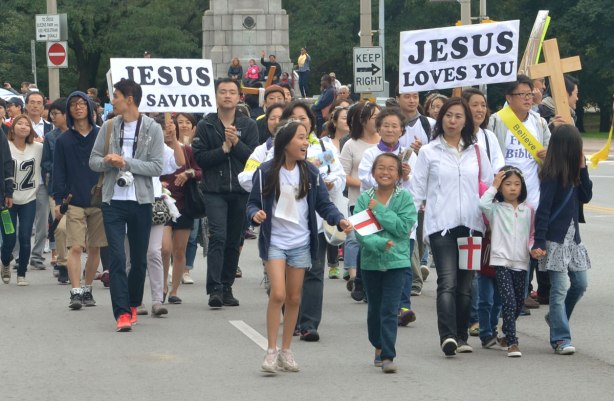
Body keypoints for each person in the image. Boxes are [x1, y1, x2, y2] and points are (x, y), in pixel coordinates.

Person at [246, 119, 352, 373]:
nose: (306, 143)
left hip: (301, 242)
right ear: (286, 142)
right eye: (301, 138)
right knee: (279, 294)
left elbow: (323, 205)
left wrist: (339, 219)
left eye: (307, 138)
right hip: (275, 242)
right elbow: (251, 203)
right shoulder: (265, 171)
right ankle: (271, 351)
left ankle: (286, 351)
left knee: (294, 298)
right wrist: (255, 215)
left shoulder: (311, 173)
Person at [410, 97, 493, 356]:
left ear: (466, 120)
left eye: (458, 116)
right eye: (448, 115)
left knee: (466, 286)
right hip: (441, 227)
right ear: (441, 119)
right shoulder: (428, 152)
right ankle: (447, 336)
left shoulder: (476, 150)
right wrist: (410, 229)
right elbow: (416, 193)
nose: (453, 121)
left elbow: (488, 184)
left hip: (471, 227)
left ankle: (461, 335)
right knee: (447, 282)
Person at [89, 78, 165, 332]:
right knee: (118, 259)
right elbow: (93, 161)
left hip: (141, 200)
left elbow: (157, 166)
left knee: (139, 260)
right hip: (112, 200)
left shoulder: (153, 128)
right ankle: (121, 313)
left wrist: (127, 163)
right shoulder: (109, 126)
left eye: (116, 97)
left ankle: (133, 303)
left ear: (129, 99)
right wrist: (109, 162)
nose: (113, 102)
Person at [280, 101, 346, 342]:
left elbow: (338, 174)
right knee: (290, 272)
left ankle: (309, 323)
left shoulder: (323, 146)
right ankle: (292, 319)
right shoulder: (277, 149)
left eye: (304, 118)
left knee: (315, 271)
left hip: (315, 219)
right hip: (287, 222)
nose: (300, 122)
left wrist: (330, 183)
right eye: (294, 118)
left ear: (311, 122)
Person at [192, 78, 259, 308]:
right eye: (223, 92)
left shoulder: (248, 125)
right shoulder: (206, 125)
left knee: (234, 239)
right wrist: (223, 149)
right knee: (218, 236)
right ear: (216, 96)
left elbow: (252, 157)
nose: (227, 96)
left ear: (239, 96)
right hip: (214, 190)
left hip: (241, 190)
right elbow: (200, 158)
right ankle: (215, 289)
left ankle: (227, 285)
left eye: (232, 92)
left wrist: (236, 143)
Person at [488, 75, 551, 314]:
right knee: (507, 250)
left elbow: (549, 156)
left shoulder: (539, 122)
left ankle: (520, 297)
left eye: (530, 94)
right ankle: (506, 300)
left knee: (526, 250)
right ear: (508, 97)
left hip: (532, 195)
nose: (528, 98)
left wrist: (548, 158)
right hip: (505, 196)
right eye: (522, 94)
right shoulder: (497, 121)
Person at [531, 124, 592, 355]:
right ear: (567, 148)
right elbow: (543, 210)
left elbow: (586, 196)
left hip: (573, 239)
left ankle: (556, 318)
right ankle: (560, 338)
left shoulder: (577, 173)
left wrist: (584, 169)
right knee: (558, 289)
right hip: (554, 240)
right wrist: (539, 241)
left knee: (580, 284)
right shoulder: (551, 175)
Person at [355, 153, 417, 373]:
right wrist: (381, 243)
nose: (385, 172)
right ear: (373, 172)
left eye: (391, 168)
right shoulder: (364, 199)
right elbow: (362, 233)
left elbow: (403, 228)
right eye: (381, 168)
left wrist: (379, 210)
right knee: (374, 310)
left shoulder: (405, 198)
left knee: (390, 309)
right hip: (370, 262)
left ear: (399, 174)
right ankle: (377, 344)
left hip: (397, 263)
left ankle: (388, 355)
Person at [358, 107, 418, 326]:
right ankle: (381, 303)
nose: (390, 130)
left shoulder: (410, 155)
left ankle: (403, 306)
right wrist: (387, 177)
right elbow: (365, 178)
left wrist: (407, 177)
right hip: (375, 210)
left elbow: (417, 187)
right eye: (386, 125)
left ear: (402, 130)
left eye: (395, 126)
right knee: (378, 254)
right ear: (379, 127)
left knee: (404, 260)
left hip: (402, 214)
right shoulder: (370, 154)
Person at [53, 92, 107, 309]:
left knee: (95, 247)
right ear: (68, 111)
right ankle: (75, 291)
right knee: (75, 246)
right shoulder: (63, 140)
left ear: (90, 108)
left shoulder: (101, 135)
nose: (78, 107)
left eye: (82, 103)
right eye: (73, 104)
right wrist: (58, 200)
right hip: (74, 201)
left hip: (99, 199)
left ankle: (87, 288)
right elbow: (59, 172)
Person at [461, 88, 506, 336]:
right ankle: (473, 316)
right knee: (469, 266)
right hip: (463, 211)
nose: (479, 110)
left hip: (486, 208)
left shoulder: (489, 137)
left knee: (484, 262)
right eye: (474, 105)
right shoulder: (455, 137)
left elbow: (498, 170)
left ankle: (484, 317)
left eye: (482, 105)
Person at [479, 167, 534, 357]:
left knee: (518, 302)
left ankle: (505, 332)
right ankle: (512, 342)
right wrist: (493, 186)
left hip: (521, 262)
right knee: (509, 301)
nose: (512, 188)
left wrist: (534, 248)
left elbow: (533, 235)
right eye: (508, 184)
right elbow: (482, 203)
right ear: (501, 188)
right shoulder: (495, 209)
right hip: (500, 261)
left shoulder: (529, 210)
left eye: (517, 184)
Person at [133, 114, 184, 316]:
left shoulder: (159, 146)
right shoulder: (123, 142)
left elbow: (180, 161)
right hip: (127, 200)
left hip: (152, 201)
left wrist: (172, 140)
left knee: (154, 251)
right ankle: (135, 300)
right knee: (133, 255)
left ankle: (156, 300)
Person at [339, 101, 380, 294]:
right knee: (361, 241)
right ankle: (358, 280)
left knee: (377, 242)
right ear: (364, 121)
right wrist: (366, 184)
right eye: (375, 117)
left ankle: (369, 281)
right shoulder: (351, 144)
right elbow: (343, 175)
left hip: (384, 202)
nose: (379, 121)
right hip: (359, 201)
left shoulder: (384, 142)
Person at [160, 116, 201, 305]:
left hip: (184, 204)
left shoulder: (186, 150)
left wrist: (189, 173)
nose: (167, 132)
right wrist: (158, 182)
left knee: (179, 250)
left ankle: (174, 290)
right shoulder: (155, 150)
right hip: (162, 205)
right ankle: (162, 286)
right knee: (165, 248)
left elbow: (200, 171)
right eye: (164, 129)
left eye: (170, 128)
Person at [1, 115, 41, 286]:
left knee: (25, 237)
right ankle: (5, 263)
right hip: (7, 201)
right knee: (9, 238)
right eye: (20, 123)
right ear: (12, 127)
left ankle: (22, 273)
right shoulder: (5, 145)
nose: (24, 127)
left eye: (27, 124)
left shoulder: (38, 147)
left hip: (29, 200)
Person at [24, 91, 53, 271]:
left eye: (39, 103)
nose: (35, 106)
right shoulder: (17, 126)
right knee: (23, 222)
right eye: (32, 102)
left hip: (43, 180)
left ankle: (37, 255)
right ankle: (21, 255)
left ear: (43, 107)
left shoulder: (50, 128)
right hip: (22, 181)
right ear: (26, 105)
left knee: (42, 222)